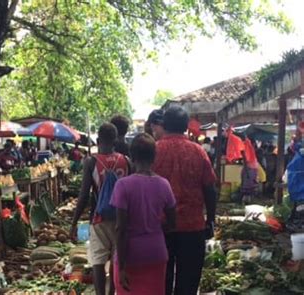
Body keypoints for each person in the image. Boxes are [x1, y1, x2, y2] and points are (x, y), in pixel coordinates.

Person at [152, 106, 217, 295]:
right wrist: (211, 219)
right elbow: (210, 188)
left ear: (164, 124)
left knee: (162, 280)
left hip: (160, 227)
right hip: (193, 227)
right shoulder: (198, 152)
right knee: (188, 282)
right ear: (186, 126)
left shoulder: (154, 151)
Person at [112, 133, 176, 295]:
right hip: (156, 253)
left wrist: (122, 267)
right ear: (154, 157)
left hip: (130, 256)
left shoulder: (123, 185)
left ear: (132, 157)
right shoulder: (164, 184)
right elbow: (172, 223)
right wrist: (153, 226)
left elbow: (121, 229)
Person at [71, 123, 130, 295]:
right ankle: (112, 292)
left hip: (98, 218)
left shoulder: (91, 161)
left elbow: (83, 195)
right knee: (115, 258)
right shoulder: (126, 161)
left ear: (98, 140)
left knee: (97, 260)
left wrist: (74, 222)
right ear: (115, 140)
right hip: (121, 217)